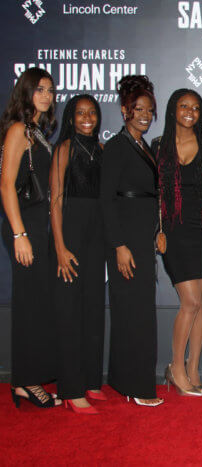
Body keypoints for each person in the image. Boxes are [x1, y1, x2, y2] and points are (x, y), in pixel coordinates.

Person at [99, 75, 162, 407]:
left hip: (142, 239)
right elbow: (107, 200)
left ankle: (126, 380)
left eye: (150, 110)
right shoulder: (116, 147)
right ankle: (134, 385)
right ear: (124, 110)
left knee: (139, 311)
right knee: (131, 313)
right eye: (138, 109)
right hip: (125, 242)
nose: (145, 115)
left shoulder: (144, 148)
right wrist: (119, 245)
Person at [0, 67, 60, 409]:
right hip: (24, 226)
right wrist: (19, 234)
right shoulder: (18, 130)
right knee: (28, 304)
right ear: (25, 92)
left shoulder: (36, 131)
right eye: (39, 89)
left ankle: (29, 377)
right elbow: (6, 185)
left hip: (38, 225)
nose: (46, 95)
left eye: (50, 90)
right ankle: (23, 381)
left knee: (38, 304)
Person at [152, 89, 202, 396]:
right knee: (190, 302)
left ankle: (193, 368)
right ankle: (175, 366)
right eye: (183, 106)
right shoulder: (157, 147)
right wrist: (156, 230)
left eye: (195, 107)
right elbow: (152, 194)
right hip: (175, 233)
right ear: (172, 110)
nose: (190, 111)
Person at [50, 94, 106, 414]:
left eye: (92, 113)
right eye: (80, 113)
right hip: (69, 235)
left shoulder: (100, 150)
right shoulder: (64, 150)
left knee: (92, 307)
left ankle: (89, 380)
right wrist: (59, 246)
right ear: (71, 117)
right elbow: (55, 201)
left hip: (95, 237)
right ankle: (71, 389)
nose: (87, 117)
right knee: (70, 311)